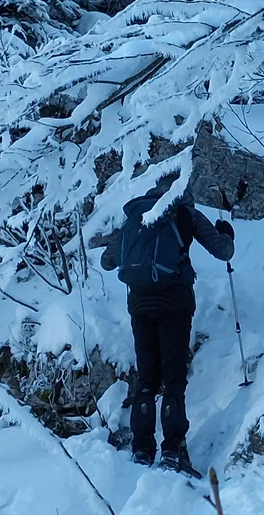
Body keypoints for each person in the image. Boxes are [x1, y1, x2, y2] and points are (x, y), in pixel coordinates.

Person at [99, 181, 235, 473]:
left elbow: (107, 260)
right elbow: (223, 252)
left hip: (139, 303)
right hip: (175, 301)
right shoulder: (185, 212)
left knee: (147, 375)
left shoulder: (139, 215)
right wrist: (226, 235)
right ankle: (172, 449)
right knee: (173, 376)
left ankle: (141, 448)